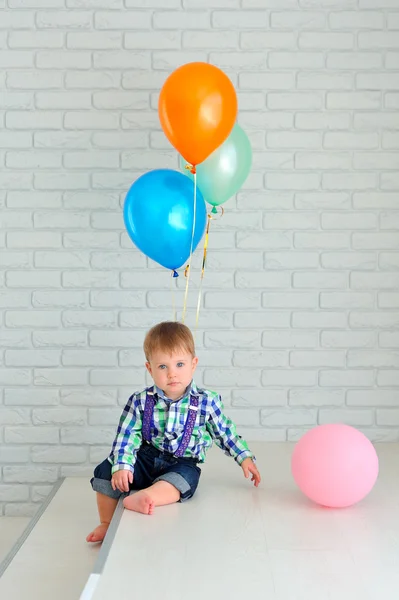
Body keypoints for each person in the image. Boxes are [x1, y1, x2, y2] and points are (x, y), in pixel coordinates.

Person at [86, 321, 261, 543]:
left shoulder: (206, 402)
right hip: (146, 458)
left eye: (179, 364)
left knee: (184, 480)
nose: (172, 374)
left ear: (193, 364)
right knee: (106, 469)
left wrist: (244, 457)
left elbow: (224, 433)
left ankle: (147, 496)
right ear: (149, 368)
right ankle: (107, 523)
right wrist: (123, 465)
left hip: (182, 463)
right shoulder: (141, 401)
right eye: (162, 367)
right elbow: (126, 437)